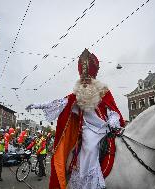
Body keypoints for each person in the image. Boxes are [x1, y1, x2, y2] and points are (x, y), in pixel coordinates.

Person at [26, 49, 125, 189]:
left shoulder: (103, 91)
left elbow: (112, 110)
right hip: (87, 130)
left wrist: (113, 119)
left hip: (105, 127)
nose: (85, 81)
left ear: (93, 77)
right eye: (82, 78)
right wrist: (38, 105)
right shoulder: (77, 95)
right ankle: (87, 182)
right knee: (89, 147)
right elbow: (59, 103)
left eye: (87, 78)